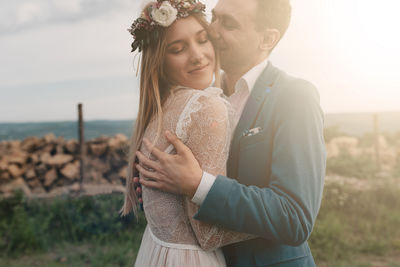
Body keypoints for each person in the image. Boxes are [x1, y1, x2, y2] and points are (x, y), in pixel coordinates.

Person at [135, 0, 327, 266]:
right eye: (214, 17)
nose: (212, 30)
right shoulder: (201, 96)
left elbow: (294, 218)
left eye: (228, 24)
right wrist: (159, 191)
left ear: (267, 39)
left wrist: (197, 184)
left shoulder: (295, 97)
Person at [120, 1, 259, 266]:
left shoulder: (162, 109)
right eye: (178, 49)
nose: (197, 55)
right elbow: (208, 235)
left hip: (157, 252)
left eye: (203, 40)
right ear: (159, 61)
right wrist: (280, 220)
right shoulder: (206, 106)